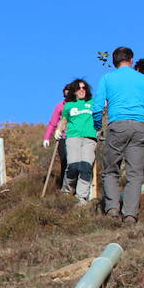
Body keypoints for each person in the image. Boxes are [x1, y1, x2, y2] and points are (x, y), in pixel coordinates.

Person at [92, 46, 144, 224]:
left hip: (117, 125)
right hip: (139, 125)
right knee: (135, 173)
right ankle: (130, 214)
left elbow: (97, 107)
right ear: (131, 60)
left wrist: (98, 125)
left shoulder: (107, 78)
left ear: (114, 61)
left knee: (111, 170)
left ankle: (112, 208)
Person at [53, 78, 97, 206]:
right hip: (73, 137)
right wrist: (58, 130)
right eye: (79, 88)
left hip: (90, 138)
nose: (82, 90)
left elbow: (101, 112)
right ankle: (66, 190)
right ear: (74, 91)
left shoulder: (92, 103)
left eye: (84, 88)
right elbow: (64, 120)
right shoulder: (69, 106)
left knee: (86, 167)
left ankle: (81, 197)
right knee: (73, 165)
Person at [43, 82, 73, 191]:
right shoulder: (60, 106)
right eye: (65, 95)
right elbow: (53, 122)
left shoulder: (80, 105)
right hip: (63, 137)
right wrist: (47, 137)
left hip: (77, 136)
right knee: (65, 161)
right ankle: (64, 187)